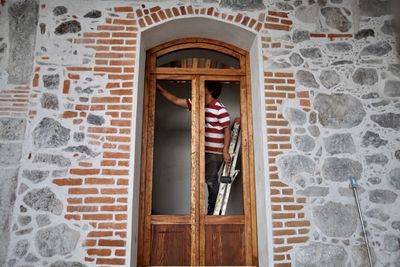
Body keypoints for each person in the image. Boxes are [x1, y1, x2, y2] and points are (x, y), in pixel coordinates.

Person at [156, 81, 231, 215]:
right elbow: (176, 100)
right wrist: (159, 88)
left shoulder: (220, 108)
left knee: (210, 180)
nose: (199, 87)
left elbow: (227, 130)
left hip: (214, 153)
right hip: (202, 151)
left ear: (210, 90)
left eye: (203, 86)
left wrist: (225, 151)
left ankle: (212, 211)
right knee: (202, 181)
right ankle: (206, 212)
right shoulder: (197, 103)